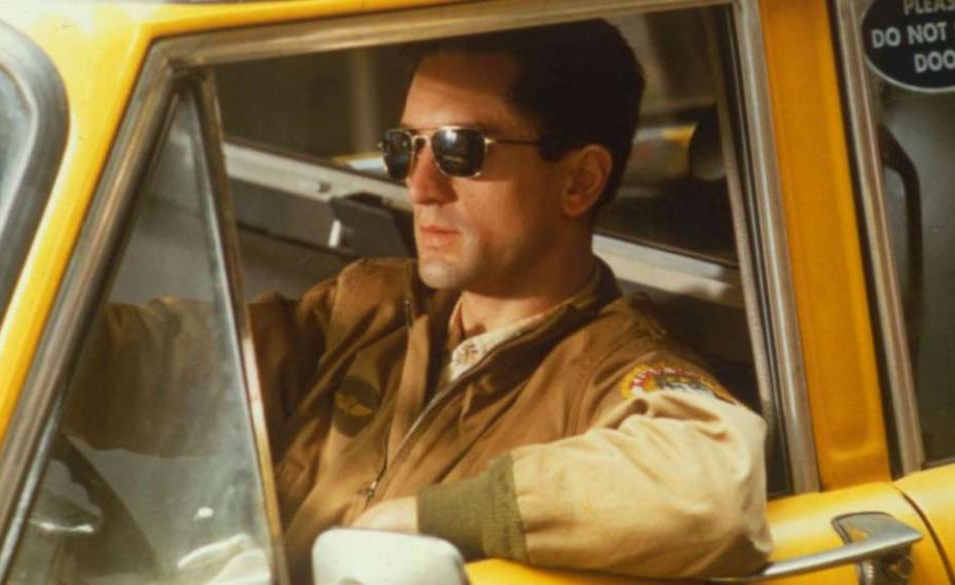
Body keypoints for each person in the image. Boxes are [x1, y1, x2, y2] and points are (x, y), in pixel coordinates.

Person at [67, 19, 771, 585]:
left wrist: (434, 519)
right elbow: (163, 366)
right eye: (406, 146)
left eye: (461, 149)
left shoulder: (610, 368)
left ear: (579, 181)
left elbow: (714, 483)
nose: (420, 184)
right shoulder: (369, 306)